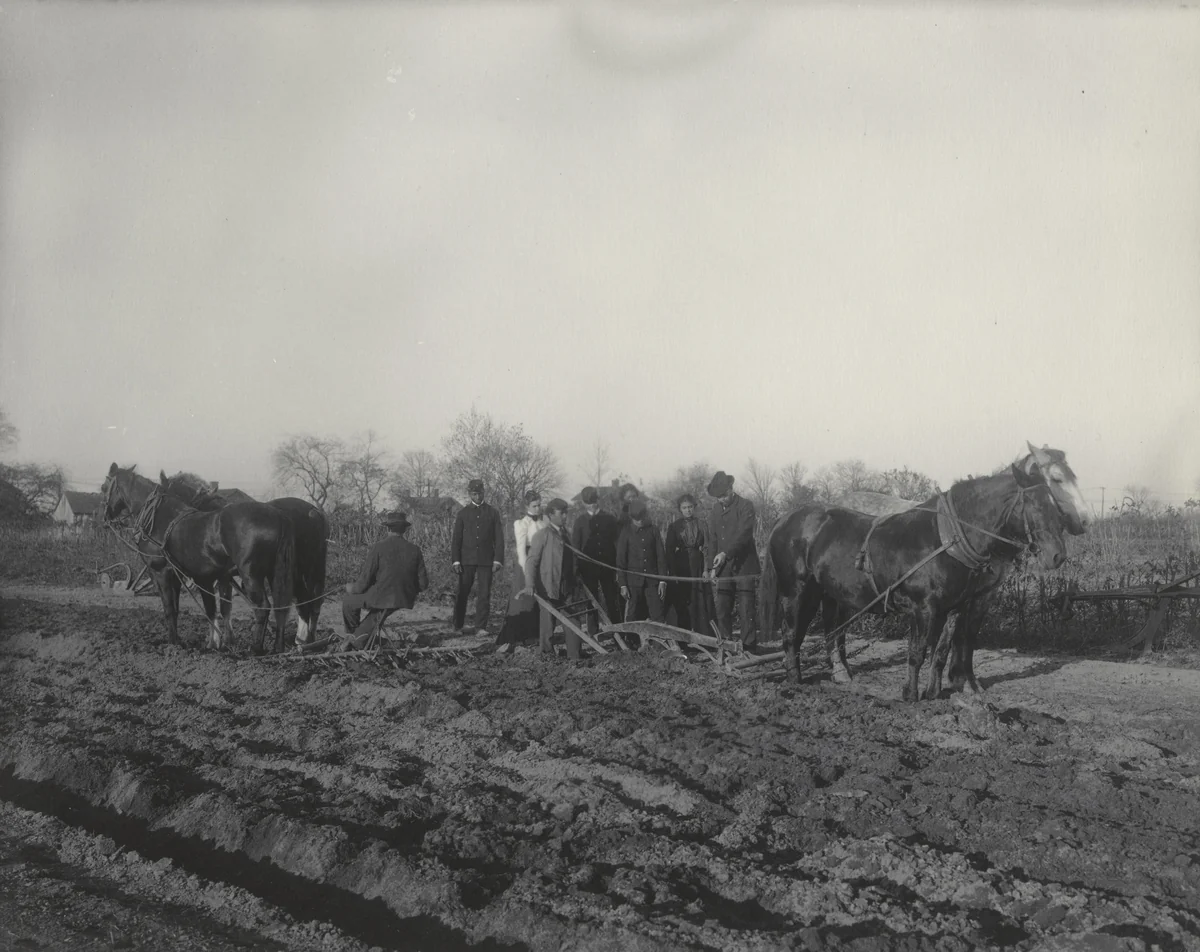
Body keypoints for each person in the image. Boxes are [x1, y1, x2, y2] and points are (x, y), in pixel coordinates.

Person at [342, 510, 428, 640]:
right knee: (375, 614)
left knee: (348, 601)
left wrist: (351, 588)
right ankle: (357, 638)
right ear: (404, 530)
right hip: (404, 597)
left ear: (387, 528)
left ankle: (354, 638)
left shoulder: (378, 547)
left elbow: (363, 582)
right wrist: (406, 588)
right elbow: (423, 584)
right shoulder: (415, 550)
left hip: (382, 597)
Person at [705, 471, 762, 650]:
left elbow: (743, 535)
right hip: (722, 568)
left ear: (731, 489)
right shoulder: (714, 511)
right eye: (718, 497)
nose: (721, 500)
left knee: (746, 609)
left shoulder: (746, 506)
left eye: (723, 495)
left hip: (745, 565)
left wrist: (725, 554)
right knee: (722, 607)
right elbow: (712, 539)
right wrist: (710, 567)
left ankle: (749, 646)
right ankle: (727, 645)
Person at [520, 498, 579, 659]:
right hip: (548, 585)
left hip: (566, 585)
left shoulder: (567, 534)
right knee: (547, 623)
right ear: (551, 515)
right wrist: (530, 584)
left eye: (566, 513)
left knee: (572, 620)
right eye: (562, 513)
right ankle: (546, 654)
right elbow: (531, 561)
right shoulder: (542, 535)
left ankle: (574, 655)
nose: (565, 516)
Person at [451, 478, 505, 635]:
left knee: (484, 594)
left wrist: (498, 560)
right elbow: (456, 539)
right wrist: (456, 560)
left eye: (480, 493)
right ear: (469, 494)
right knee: (462, 592)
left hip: (486, 560)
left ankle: (480, 627)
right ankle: (458, 626)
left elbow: (499, 539)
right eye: (474, 494)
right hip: (466, 560)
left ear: (484, 493)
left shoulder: (493, 513)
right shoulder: (462, 514)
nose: (477, 497)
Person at [496, 491, 544, 651]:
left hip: (541, 562)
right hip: (526, 564)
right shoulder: (521, 524)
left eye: (539, 505)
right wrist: (527, 572)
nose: (537, 508)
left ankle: (535, 635)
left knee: (538, 600)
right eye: (534, 506)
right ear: (527, 506)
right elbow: (521, 550)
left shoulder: (544, 522)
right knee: (523, 600)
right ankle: (517, 637)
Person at [571, 485, 621, 635]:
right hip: (588, 569)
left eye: (593, 501)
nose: (591, 505)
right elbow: (576, 547)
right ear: (583, 503)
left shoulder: (610, 519)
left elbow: (617, 543)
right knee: (591, 601)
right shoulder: (579, 521)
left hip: (608, 566)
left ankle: (617, 630)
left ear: (598, 500)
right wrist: (576, 568)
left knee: (611, 598)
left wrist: (618, 567)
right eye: (588, 502)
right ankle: (593, 633)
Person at [664, 493, 712, 635]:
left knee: (699, 598)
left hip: (698, 564)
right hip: (681, 565)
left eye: (690, 507)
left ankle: (702, 633)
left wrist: (705, 569)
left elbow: (707, 547)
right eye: (684, 508)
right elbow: (669, 550)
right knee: (683, 598)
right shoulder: (674, 526)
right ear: (680, 509)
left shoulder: (702, 524)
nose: (688, 510)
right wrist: (673, 572)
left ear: (694, 507)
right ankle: (683, 634)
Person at [616, 501, 668, 622]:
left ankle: (658, 640)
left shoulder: (653, 530)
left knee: (658, 613)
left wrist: (662, 580)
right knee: (633, 614)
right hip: (633, 583)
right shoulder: (626, 532)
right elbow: (621, 560)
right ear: (632, 518)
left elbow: (661, 557)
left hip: (653, 581)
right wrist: (623, 584)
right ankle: (631, 640)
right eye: (636, 519)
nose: (640, 522)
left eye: (642, 518)